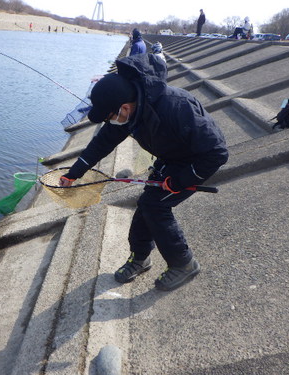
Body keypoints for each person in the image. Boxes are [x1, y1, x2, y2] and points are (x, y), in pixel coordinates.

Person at [59, 54, 228, 291]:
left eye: (109, 117)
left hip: (195, 162)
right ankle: (140, 258)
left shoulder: (176, 107)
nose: (110, 122)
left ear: (124, 108)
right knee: (146, 205)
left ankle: (184, 263)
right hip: (169, 159)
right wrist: (73, 173)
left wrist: (181, 181)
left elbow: (217, 153)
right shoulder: (129, 113)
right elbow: (101, 143)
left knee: (155, 206)